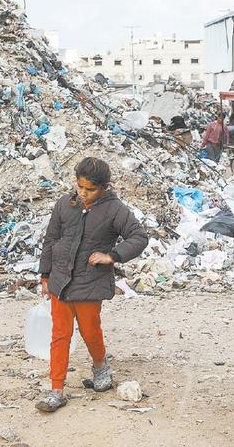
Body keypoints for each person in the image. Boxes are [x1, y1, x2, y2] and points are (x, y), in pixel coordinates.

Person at [36, 157, 149, 412]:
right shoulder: (65, 204)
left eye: (90, 189)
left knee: (90, 332)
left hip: (90, 282)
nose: (83, 193)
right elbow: (51, 239)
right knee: (60, 335)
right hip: (60, 281)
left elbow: (139, 237)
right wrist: (45, 275)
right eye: (80, 187)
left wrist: (112, 256)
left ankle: (101, 368)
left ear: (104, 188)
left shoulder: (115, 209)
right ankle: (56, 390)